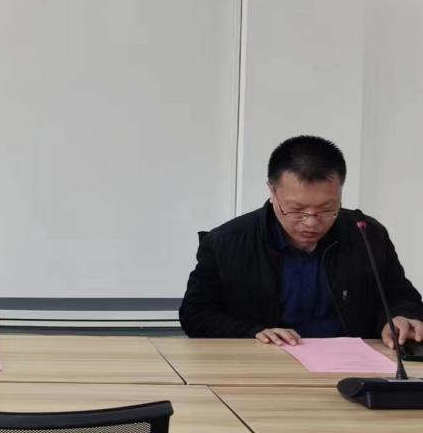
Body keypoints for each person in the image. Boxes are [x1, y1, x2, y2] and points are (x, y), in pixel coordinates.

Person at [180, 134, 423, 349]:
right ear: (272, 192)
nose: (311, 222)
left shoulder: (366, 234)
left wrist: (399, 318)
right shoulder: (227, 243)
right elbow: (195, 314)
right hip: (265, 365)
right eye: (297, 210)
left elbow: (402, 297)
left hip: (351, 365)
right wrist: (252, 332)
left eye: (327, 208)